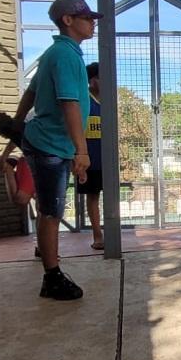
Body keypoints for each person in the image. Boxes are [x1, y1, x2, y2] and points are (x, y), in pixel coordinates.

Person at [10, 0, 98, 300]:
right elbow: (69, 103)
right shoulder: (65, 56)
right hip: (50, 145)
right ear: (68, 20)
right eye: (87, 18)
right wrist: (81, 150)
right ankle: (52, 276)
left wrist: (15, 130)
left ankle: (51, 266)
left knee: (51, 208)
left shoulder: (57, 53)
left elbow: (30, 96)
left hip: (49, 143)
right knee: (51, 211)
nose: (93, 23)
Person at [80, 62, 104, 250]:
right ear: (92, 80)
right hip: (89, 161)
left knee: (111, 196)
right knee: (93, 196)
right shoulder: (83, 101)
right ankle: (97, 235)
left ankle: (110, 230)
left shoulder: (109, 102)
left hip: (107, 160)